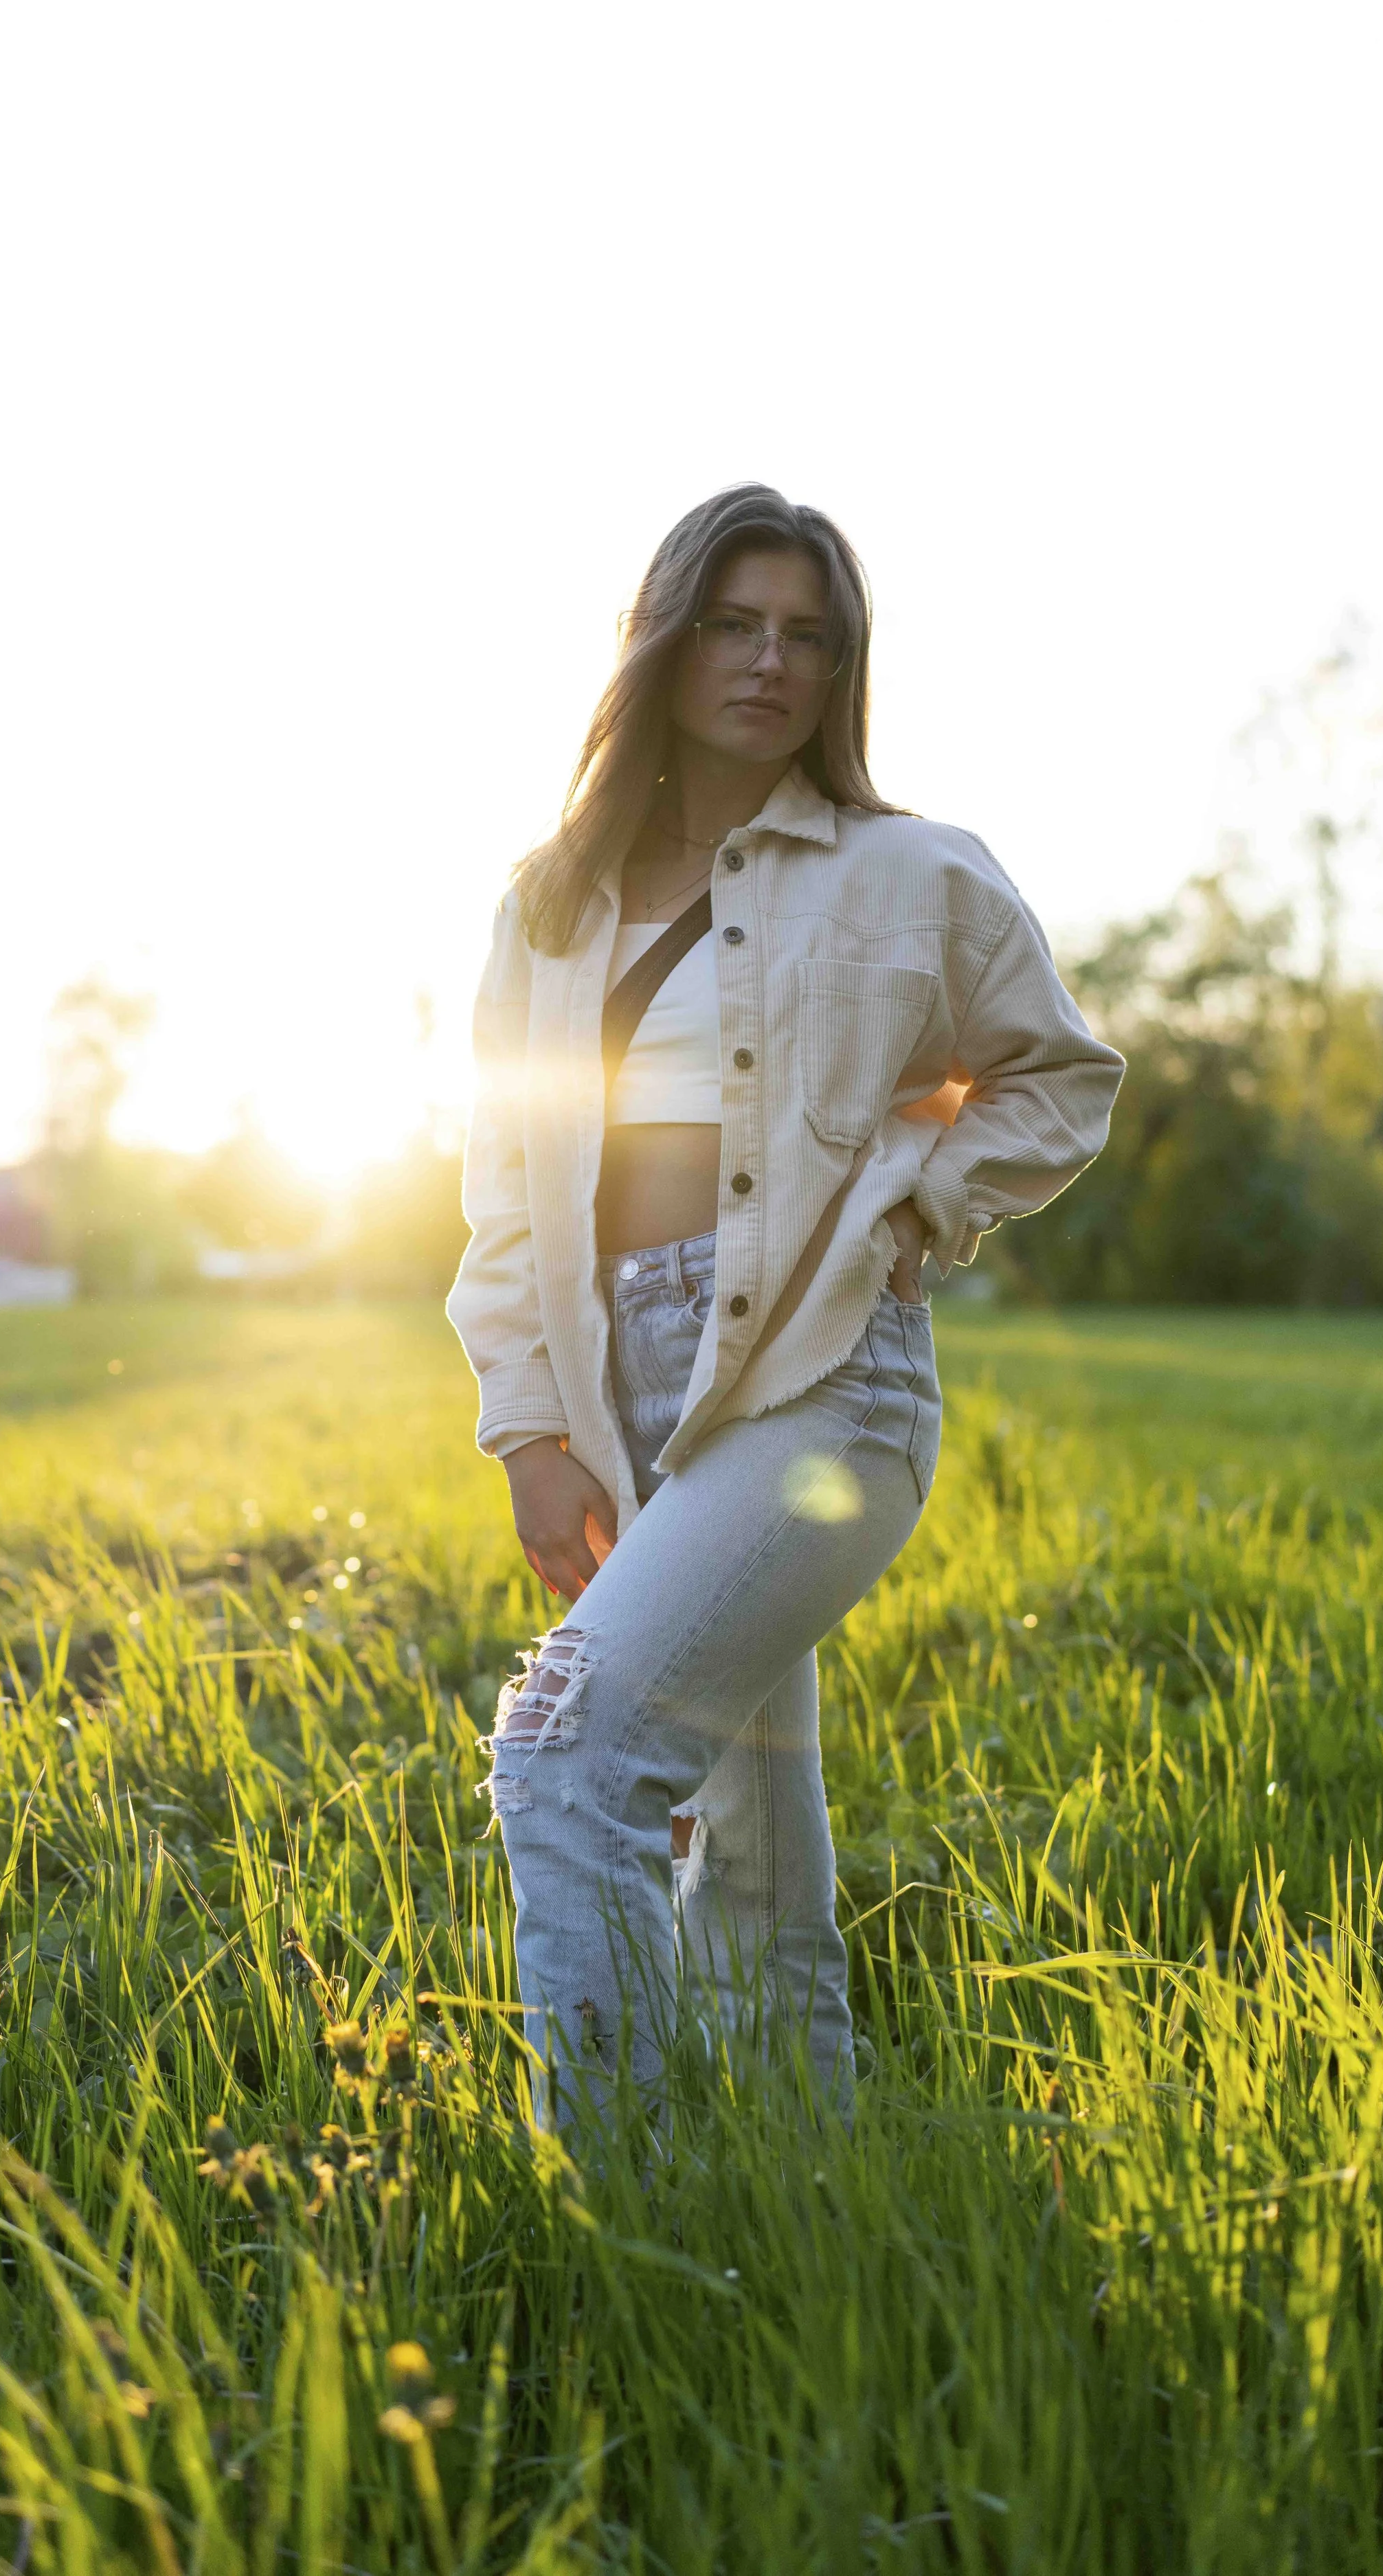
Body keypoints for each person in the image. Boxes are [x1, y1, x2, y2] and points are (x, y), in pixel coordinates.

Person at [446, 483, 1123, 2121]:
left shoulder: (912, 873)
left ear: (841, 672)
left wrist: (921, 1198)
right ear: (664, 644)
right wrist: (535, 1425)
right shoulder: (548, 907)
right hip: (631, 1390)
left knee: (563, 1755)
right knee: (747, 1863)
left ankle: (620, 2218)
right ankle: (800, 2190)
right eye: (734, 625)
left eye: (805, 637)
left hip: (824, 1374)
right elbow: (498, 1181)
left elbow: (1059, 1079)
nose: (767, 661)